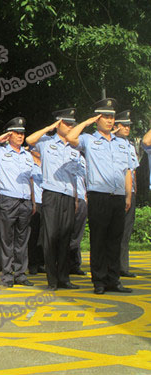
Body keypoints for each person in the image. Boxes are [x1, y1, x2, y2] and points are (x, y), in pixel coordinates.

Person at [66, 98, 133, 295]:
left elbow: (127, 171)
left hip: (118, 196)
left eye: (112, 117)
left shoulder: (122, 144)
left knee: (115, 239)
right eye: (105, 117)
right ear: (97, 119)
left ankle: (114, 279)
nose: (110, 121)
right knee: (99, 239)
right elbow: (70, 137)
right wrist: (87, 122)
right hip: (99, 196)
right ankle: (100, 281)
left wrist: (128, 196)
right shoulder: (89, 139)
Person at [26, 108, 81, 290]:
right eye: (67, 123)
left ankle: (64, 278)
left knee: (66, 237)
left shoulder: (75, 148)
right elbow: (30, 140)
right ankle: (52, 280)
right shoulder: (47, 143)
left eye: (72, 123)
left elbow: (76, 176)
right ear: (59, 124)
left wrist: (76, 198)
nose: (71, 126)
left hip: (69, 195)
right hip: (51, 194)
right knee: (51, 237)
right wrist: (50, 127)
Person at [0, 117, 35, 288]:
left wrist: (33, 201)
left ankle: (20, 273)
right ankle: (7, 274)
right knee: (6, 238)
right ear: (9, 135)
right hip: (8, 200)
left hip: (25, 200)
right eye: (16, 133)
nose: (20, 136)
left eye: (22, 133)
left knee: (22, 239)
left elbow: (30, 179)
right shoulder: (0, 152)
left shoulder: (27, 155)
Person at [114, 110, 139, 278]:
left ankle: (123, 266)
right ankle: (113, 266)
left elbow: (133, 171)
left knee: (126, 231)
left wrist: (132, 192)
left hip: (131, 191)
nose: (127, 128)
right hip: (117, 192)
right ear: (116, 126)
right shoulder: (111, 143)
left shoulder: (130, 146)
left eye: (129, 125)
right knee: (114, 231)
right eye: (124, 125)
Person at [69, 154, 88, 276]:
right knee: (64, 233)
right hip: (67, 196)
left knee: (77, 234)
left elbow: (85, 179)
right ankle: (62, 264)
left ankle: (75, 264)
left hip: (81, 198)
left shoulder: (81, 158)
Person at [27, 147, 44, 276]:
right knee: (33, 234)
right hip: (35, 201)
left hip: (47, 201)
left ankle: (41, 263)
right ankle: (32, 263)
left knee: (43, 235)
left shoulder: (45, 163)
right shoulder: (28, 163)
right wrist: (32, 202)